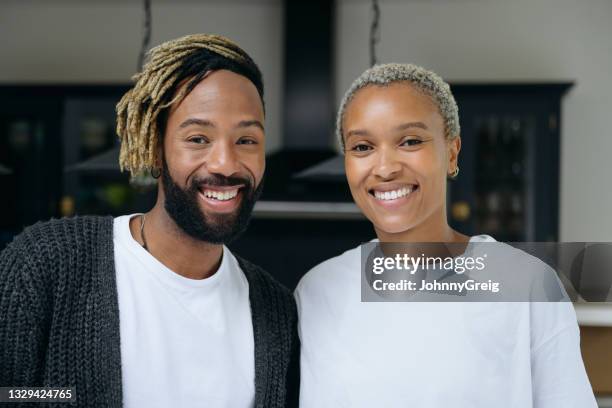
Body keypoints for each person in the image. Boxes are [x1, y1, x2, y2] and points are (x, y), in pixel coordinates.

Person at [0, 34, 298, 408]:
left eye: (247, 140)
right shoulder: (48, 263)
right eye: (198, 138)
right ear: (155, 147)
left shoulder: (275, 310)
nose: (225, 163)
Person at [295, 63, 596, 407]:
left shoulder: (526, 285)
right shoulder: (317, 292)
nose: (385, 167)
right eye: (362, 147)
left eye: (410, 141)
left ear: (451, 152)